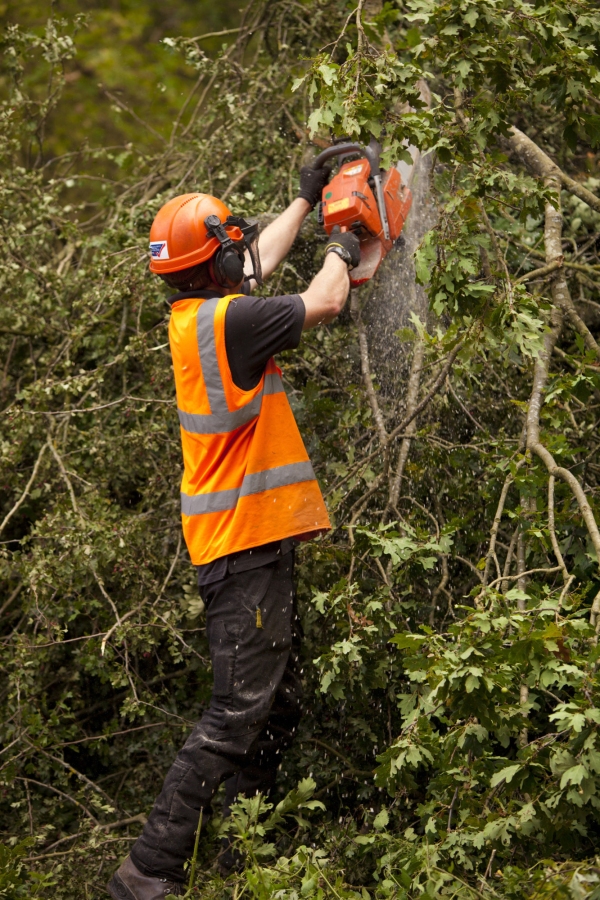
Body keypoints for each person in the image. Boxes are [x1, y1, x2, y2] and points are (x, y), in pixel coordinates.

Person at [107, 165, 361, 900]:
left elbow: (258, 263)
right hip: (242, 546)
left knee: (274, 707)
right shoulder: (232, 322)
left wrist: (310, 196)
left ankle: (237, 855)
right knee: (233, 716)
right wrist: (344, 242)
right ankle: (148, 873)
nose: (242, 252)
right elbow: (324, 300)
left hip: (243, 544)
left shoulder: (203, 313)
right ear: (212, 261)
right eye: (231, 246)